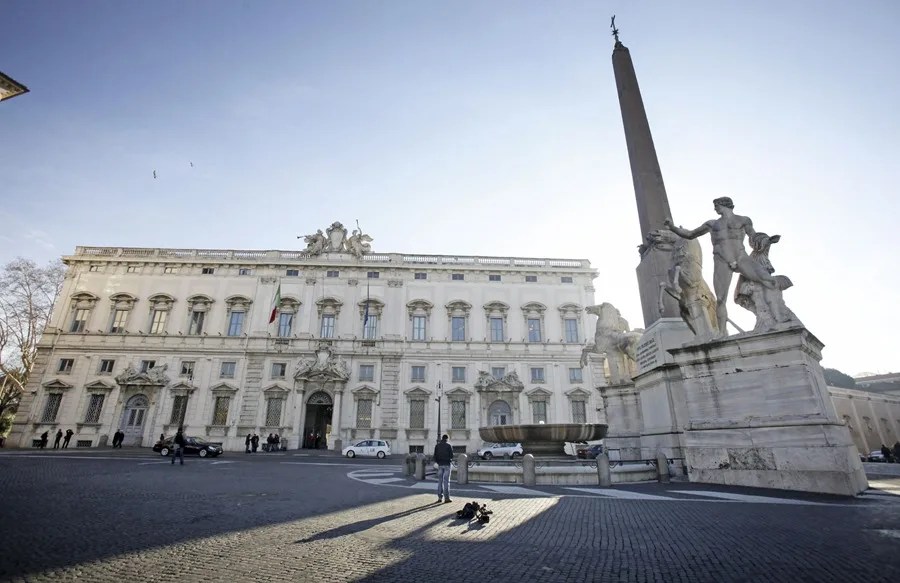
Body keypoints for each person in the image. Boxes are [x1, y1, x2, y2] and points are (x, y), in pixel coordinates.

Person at [665, 197, 779, 337]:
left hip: (741, 257)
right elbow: (690, 234)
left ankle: (777, 317)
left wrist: (765, 241)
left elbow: (753, 237)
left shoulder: (743, 220)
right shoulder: (711, 224)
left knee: (767, 279)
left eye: (716, 205)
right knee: (720, 299)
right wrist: (672, 227)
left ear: (724, 205)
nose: (715, 208)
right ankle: (722, 332)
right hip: (721, 260)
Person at [433, 434, 454, 504]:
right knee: (446, 481)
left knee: (440, 481)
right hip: (447, 464)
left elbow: (435, 455)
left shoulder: (437, 446)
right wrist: (449, 459)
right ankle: (447, 498)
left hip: (440, 465)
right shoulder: (448, 446)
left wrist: (438, 462)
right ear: (447, 439)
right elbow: (452, 455)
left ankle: (439, 497)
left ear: (442, 438)